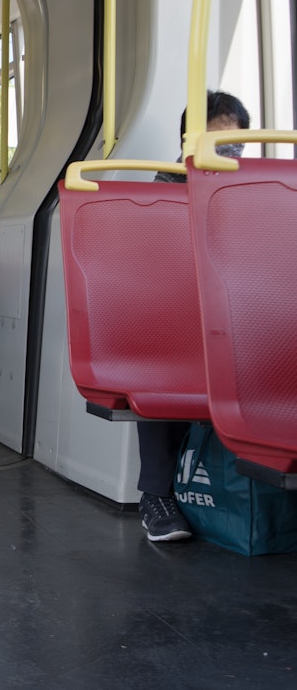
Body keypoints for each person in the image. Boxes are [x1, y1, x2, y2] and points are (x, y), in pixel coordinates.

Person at [138, 89, 249, 542]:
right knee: (163, 359)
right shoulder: (165, 187)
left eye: (237, 145)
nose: (230, 156)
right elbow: (158, 265)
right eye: (219, 145)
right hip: (180, 311)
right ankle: (156, 493)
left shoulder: (252, 185)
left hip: (240, 309)